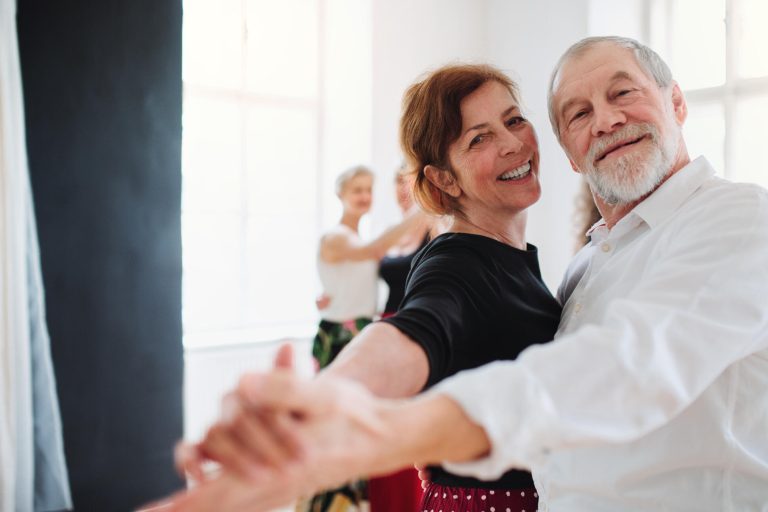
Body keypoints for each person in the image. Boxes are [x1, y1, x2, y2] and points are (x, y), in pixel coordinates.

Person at [167, 36, 768, 511]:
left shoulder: (736, 219)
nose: (606, 121)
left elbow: (632, 363)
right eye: (579, 112)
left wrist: (385, 431)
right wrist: (328, 400)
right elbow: (419, 326)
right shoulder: (474, 260)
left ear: (677, 102)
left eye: (624, 94)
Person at [171, 63, 563, 512]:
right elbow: (414, 329)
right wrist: (328, 397)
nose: (513, 143)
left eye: (513, 120)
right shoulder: (457, 263)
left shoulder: (510, 258)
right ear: (444, 178)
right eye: (479, 138)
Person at [307, 164, 426, 511]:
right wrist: (424, 209)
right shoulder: (337, 238)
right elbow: (370, 252)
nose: (363, 197)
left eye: (367, 190)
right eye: (356, 190)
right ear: (341, 195)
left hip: (363, 331)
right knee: (336, 429)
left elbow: (355, 275)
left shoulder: (358, 239)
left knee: (358, 430)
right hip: (341, 341)